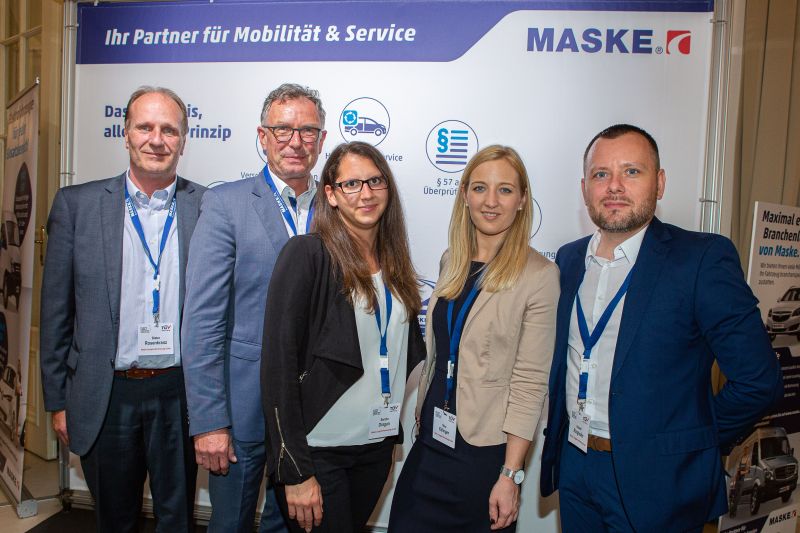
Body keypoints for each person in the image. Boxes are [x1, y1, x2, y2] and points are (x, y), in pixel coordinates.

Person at [539, 124, 783, 532]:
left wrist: (691, 441)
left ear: (660, 182)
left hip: (660, 481)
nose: (614, 186)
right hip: (576, 467)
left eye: (631, 171)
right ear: (584, 188)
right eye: (601, 174)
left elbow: (759, 381)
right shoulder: (568, 260)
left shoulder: (701, 259)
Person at [40, 86, 205, 532]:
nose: (157, 139)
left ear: (183, 140)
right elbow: (55, 313)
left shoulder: (206, 207)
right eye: (145, 127)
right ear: (126, 133)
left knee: (178, 519)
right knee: (115, 519)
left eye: (169, 130)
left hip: (179, 394)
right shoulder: (77, 206)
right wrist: (58, 401)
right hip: (105, 394)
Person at [388, 145, 559, 532]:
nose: (491, 201)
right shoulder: (452, 260)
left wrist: (510, 474)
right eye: (480, 188)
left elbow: (531, 382)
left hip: (484, 455)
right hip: (430, 441)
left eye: (505, 190)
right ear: (464, 194)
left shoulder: (539, 276)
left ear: (522, 200)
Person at [182, 83, 327, 533]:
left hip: (313, 412)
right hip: (243, 409)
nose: (295, 141)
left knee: (294, 526)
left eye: (307, 131)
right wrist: (209, 421)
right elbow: (203, 321)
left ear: (322, 140)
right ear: (263, 137)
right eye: (283, 129)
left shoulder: (338, 207)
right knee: (231, 524)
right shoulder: (226, 204)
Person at [261, 141, 425, 533]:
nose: (366, 194)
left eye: (375, 181)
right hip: (319, 452)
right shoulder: (307, 255)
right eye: (352, 184)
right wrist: (295, 470)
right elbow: (278, 366)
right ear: (331, 195)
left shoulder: (395, 264)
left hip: (375, 447)